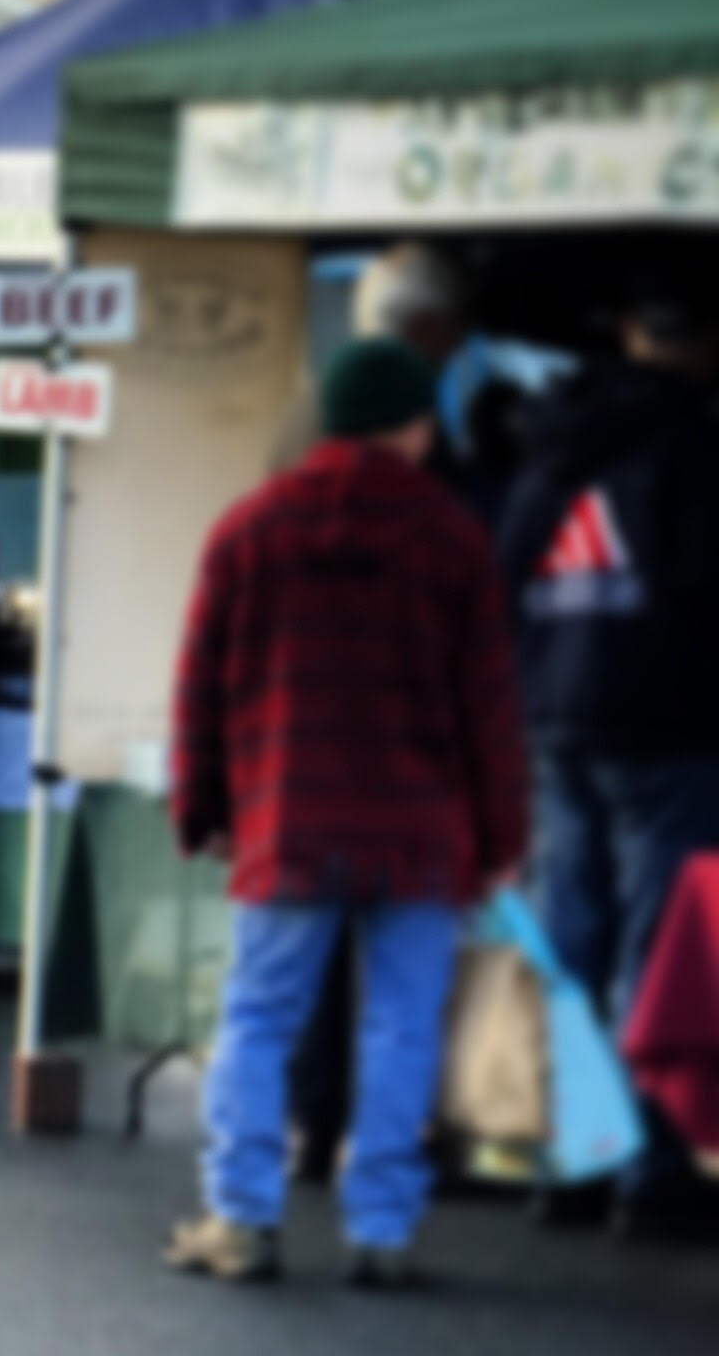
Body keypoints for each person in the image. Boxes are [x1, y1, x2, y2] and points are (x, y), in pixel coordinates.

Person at [162, 337, 528, 1289]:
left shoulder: (249, 530)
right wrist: (504, 840)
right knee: (403, 1025)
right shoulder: (452, 540)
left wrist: (198, 807)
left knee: (257, 1020)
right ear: (411, 427)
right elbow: (490, 706)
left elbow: (199, 688)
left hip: (288, 824)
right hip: (420, 832)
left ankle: (240, 1217)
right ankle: (382, 1230)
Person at [495, 287, 719, 1235]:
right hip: (664, 722)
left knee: (570, 943)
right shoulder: (694, 441)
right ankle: (651, 1174)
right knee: (659, 948)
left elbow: (500, 577)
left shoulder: (550, 444)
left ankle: (573, 1160)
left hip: (553, 714)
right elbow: (706, 587)